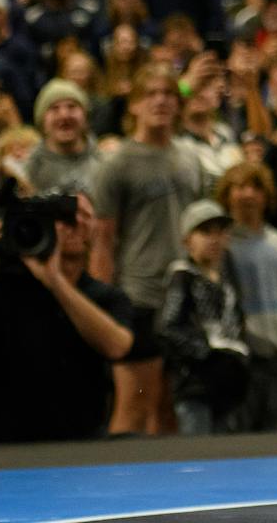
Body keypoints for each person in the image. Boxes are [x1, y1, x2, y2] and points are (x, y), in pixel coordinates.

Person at [0, 189, 135, 441]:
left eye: (84, 216)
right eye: (63, 217)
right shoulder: (4, 293)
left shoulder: (105, 297)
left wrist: (55, 280)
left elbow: (117, 346)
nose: (74, 225)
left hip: (81, 446)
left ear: (93, 229)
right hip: (9, 449)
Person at [91, 64, 206, 434]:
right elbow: (103, 239)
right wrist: (104, 306)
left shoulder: (191, 158)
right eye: (150, 94)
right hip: (138, 297)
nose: (160, 101)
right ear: (134, 105)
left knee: (170, 407)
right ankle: (116, 484)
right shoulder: (117, 163)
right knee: (133, 404)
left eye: (169, 94)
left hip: (184, 300)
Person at [218, 162, 277, 432]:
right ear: (227, 195)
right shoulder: (221, 244)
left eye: (255, 187)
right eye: (239, 187)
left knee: (275, 427)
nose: (248, 194)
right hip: (241, 357)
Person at [158, 200, 250, 435]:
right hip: (196, 385)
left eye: (220, 232)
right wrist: (206, 353)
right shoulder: (182, 277)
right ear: (187, 240)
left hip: (229, 384)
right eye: (205, 232)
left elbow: (237, 319)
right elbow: (168, 328)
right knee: (200, 452)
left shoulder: (229, 277)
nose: (215, 239)